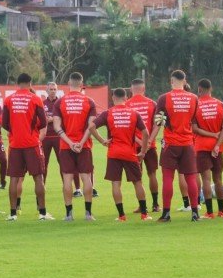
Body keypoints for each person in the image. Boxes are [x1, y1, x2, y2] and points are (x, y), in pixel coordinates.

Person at [90, 88, 152, 221]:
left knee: (116, 184)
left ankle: (121, 215)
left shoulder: (108, 113)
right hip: (130, 153)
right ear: (126, 98)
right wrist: (143, 151)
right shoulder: (134, 113)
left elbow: (91, 127)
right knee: (138, 182)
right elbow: (145, 133)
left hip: (113, 153)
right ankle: (144, 214)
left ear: (113, 98)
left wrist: (102, 141)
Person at [150, 70, 200, 222]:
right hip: (188, 143)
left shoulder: (164, 98)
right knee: (191, 178)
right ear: (185, 81)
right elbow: (194, 121)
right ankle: (195, 213)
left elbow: (158, 123)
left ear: (171, 81)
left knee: (167, 178)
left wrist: (149, 141)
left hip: (171, 144)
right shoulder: (194, 98)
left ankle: (166, 214)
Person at [3, 73, 53, 221]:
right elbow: (43, 122)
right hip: (31, 143)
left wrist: (15, 132)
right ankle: (42, 213)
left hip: (15, 144)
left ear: (18, 83)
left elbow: (4, 123)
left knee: (14, 178)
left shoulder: (8, 99)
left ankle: (12, 213)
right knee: (38, 177)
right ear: (30, 83)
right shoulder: (35, 99)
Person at [53, 72, 97, 221]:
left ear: (69, 83)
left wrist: (70, 143)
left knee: (67, 179)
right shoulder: (89, 101)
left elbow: (56, 126)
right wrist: (81, 142)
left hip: (66, 146)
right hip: (84, 146)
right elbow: (91, 126)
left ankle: (69, 214)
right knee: (86, 178)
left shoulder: (60, 102)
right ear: (81, 83)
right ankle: (88, 214)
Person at [193, 79, 223, 219]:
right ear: (211, 88)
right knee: (218, 179)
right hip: (217, 147)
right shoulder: (221, 104)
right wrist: (217, 143)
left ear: (199, 89)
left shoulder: (196, 106)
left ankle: (209, 212)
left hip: (201, 146)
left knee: (206, 180)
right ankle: (221, 211)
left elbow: (194, 128)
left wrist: (210, 135)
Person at [125, 78, 161, 213]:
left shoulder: (126, 104)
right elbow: (158, 124)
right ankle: (156, 205)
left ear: (130, 89)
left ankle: (142, 206)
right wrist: (150, 140)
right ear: (144, 89)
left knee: (137, 178)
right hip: (150, 145)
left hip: (134, 146)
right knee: (152, 174)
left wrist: (140, 142)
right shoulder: (152, 104)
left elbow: (126, 128)